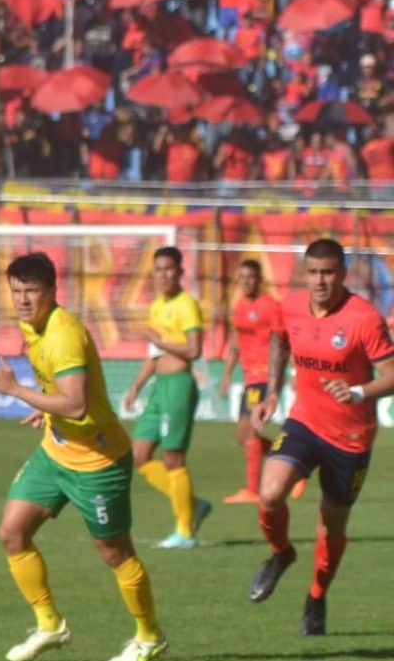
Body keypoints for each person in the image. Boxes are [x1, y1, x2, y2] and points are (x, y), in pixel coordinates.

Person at [0, 252, 165, 661]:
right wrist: (45, 408)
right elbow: (60, 399)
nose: (23, 300)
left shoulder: (64, 334)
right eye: (17, 292)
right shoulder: (31, 326)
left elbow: (76, 405)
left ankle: (149, 636)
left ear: (52, 292)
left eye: (32, 291)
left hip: (99, 461)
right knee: (12, 533)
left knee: (114, 553)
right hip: (56, 452)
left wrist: (17, 392)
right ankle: (49, 626)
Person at [244, 237, 394, 635]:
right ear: (304, 274)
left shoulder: (364, 319)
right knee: (270, 493)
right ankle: (281, 553)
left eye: (328, 273)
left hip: (351, 437)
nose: (320, 281)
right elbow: (279, 340)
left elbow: (392, 374)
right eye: (313, 273)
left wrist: (359, 391)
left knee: (331, 527)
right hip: (305, 422)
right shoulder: (290, 307)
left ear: (343, 274)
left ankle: (316, 595)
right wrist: (274, 391)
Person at [119, 245, 212, 549]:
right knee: (139, 456)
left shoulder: (187, 305)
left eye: (169, 269)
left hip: (179, 386)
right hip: (159, 387)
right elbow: (154, 353)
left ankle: (185, 531)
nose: (163, 275)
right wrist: (136, 387)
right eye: (158, 269)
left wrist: (163, 341)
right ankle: (193, 504)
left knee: (173, 458)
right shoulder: (157, 305)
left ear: (180, 272)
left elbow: (194, 350)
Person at [220, 256, 289, 504]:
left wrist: (289, 373)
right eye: (243, 278)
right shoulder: (238, 307)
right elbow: (237, 344)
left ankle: (252, 490)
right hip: (249, 377)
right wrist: (227, 374)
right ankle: (294, 465)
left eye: (251, 277)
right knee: (243, 436)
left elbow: (284, 339)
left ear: (259, 280)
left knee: (249, 433)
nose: (247, 282)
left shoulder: (270, 306)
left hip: (264, 375)